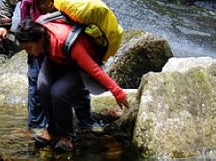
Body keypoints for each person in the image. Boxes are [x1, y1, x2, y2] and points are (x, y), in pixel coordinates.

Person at [0, 0, 94, 132]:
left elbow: (73, 13)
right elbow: (7, 1)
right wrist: (3, 25)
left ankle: (86, 123)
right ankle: (37, 127)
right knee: (35, 82)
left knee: (75, 85)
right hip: (34, 41)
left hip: (60, 41)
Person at [13, 19, 129, 153]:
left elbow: (94, 69)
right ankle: (52, 129)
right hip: (56, 59)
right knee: (42, 86)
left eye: (29, 48)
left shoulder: (68, 42)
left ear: (40, 40)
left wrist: (118, 93)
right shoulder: (40, 31)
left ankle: (66, 136)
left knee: (59, 92)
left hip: (77, 66)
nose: (28, 52)